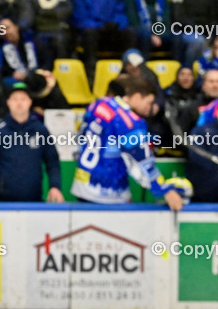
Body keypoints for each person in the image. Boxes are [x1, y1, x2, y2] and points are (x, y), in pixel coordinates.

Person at [71, 76, 187, 209]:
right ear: (137, 96)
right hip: (108, 193)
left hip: (82, 186)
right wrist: (164, 190)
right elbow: (142, 161)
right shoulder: (130, 121)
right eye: (148, 102)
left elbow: (79, 138)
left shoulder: (99, 104)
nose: (149, 108)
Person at [0, 81, 64, 202]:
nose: (19, 103)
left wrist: (55, 186)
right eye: (15, 99)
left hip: (34, 201)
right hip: (3, 202)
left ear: (30, 102)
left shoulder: (40, 130)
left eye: (23, 99)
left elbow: (52, 161)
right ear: (8, 102)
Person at [72, 0, 137, 85]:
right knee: (89, 33)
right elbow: (80, 18)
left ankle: (129, 74)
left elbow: (121, 13)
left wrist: (116, 23)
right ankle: (91, 78)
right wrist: (100, 25)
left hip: (112, 31)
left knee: (130, 32)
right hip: (95, 32)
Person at [30, 0, 72, 70]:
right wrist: (54, 14)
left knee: (60, 40)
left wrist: (44, 13)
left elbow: (67, 11)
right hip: (40, 31)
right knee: (42, 42)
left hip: (59, 31)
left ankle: (62, 74)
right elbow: (33, 18)